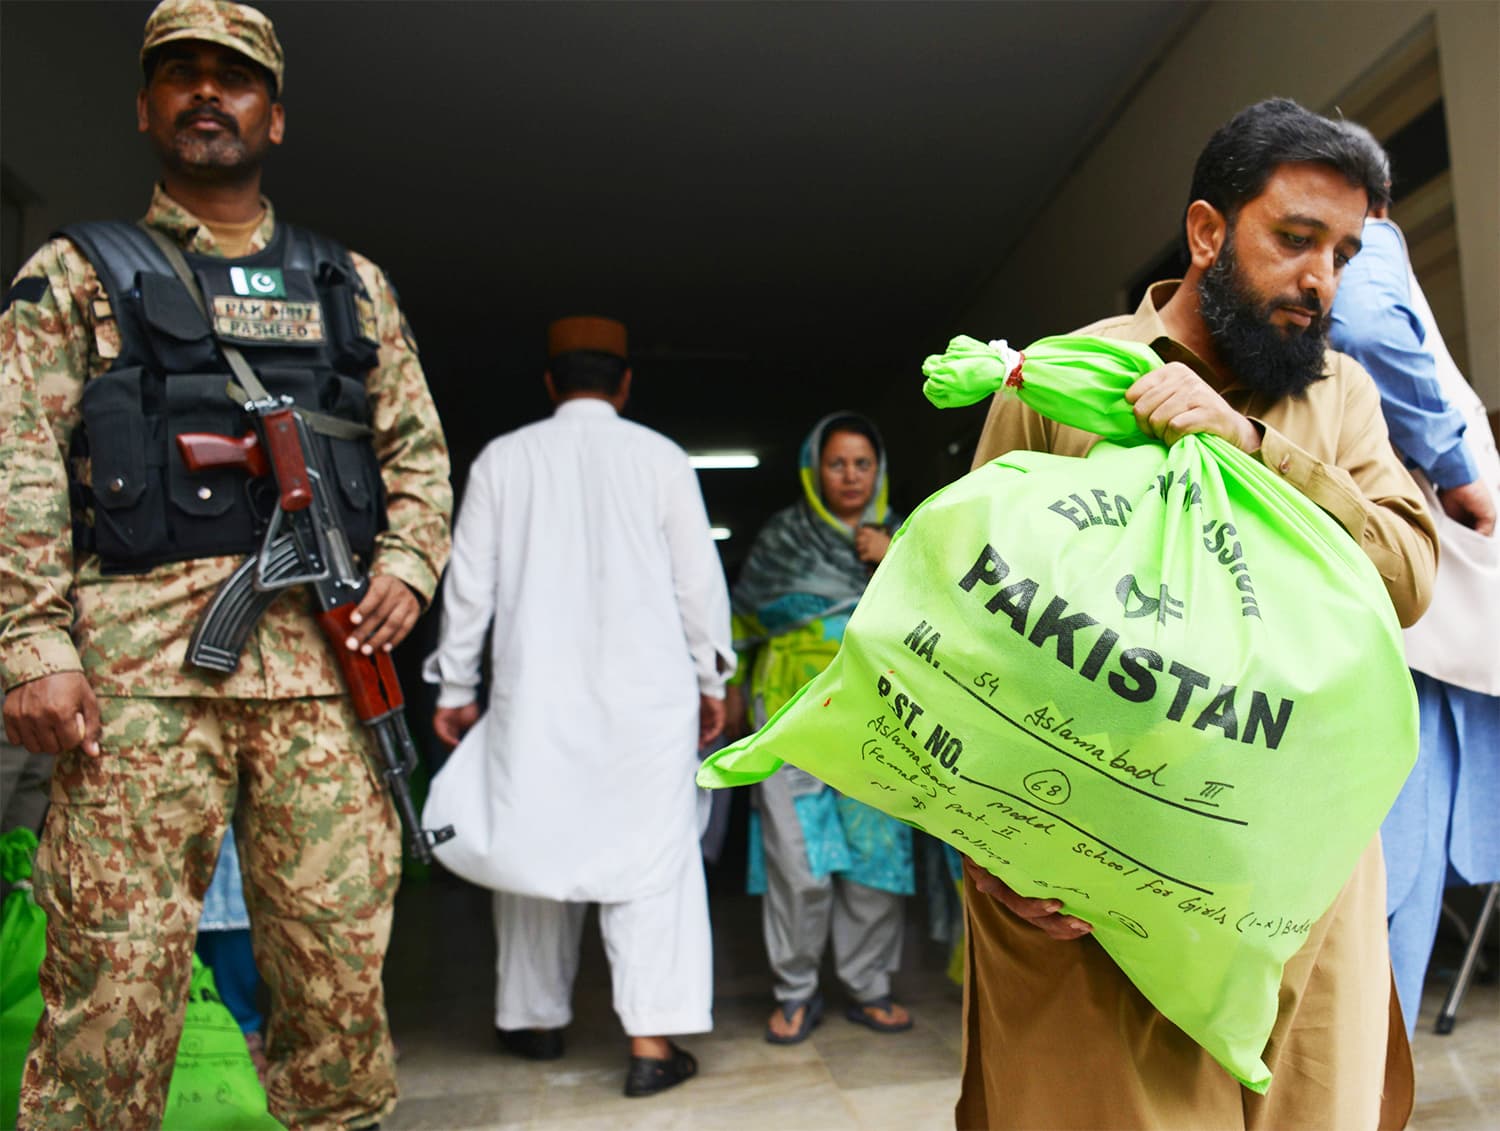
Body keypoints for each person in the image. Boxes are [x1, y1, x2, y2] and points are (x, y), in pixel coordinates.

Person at [0, 2, 452, 1126]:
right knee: (112, 994)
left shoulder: (350, 286)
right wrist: (32, 642)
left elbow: (419, 457)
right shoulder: (76, 276)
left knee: (338, 991)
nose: (210, 95)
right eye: (182, 76)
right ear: (146, 107)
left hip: (327, 681)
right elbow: (16, 460)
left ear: (276, 116)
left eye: (236, 79)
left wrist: (407, 565)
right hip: (140, 688)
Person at [957, 98, 1436, 1129]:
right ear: (1209, 233)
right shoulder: (1059, 382)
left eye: (1344, 253)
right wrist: (988, 847)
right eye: (1295, 239)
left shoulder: (1339, 398)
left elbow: (1404, 575)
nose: (1321, 280)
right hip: (1093, 875)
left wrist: (1252, 454)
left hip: (1296, 879)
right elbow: (963, 635)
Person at [421, 315, 734, 1098]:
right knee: (652, 861)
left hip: (538, 696)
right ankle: (651, 1044)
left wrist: (455, 687)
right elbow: (699, 582)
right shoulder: (660, 456)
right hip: (647, 700)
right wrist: (712, 678)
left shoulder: (504, 458)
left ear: (551, 383)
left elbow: (470, 586)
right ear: (625, 384)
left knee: (532, 845)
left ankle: (532, 1020)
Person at [1326, 123, 1500, 1032]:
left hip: (1413, 599)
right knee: (1400, 850)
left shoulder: (1366, 255)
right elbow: (1361, 320)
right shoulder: (1368, 250)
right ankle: (1366, 1061)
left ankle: (1365, 1060)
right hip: (1418, 606)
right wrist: (1458, 463)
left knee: (1395, 851)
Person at [724, 412, 917, 1044]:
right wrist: (727, 690)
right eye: (837, 463)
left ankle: (869, 986)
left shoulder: (911, 536)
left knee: (874, 858)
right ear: (813, 471)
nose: (851, 476)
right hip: (791, 712)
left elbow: (950, 613)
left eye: (863, 463)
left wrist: (892, 559)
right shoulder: (783, 538)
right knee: (797, 859)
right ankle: (797, 991)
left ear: (879, 470)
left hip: (881, 715)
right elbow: (743, 621)